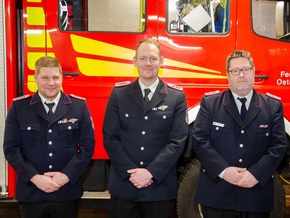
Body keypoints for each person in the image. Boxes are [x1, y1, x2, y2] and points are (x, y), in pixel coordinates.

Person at [192, 50, 288, 218]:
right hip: (218, 195)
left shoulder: (272, 107)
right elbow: (200, 141)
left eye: (246, 69)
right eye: (235, 71)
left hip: (256, 195)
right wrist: (224, 171)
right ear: (228, 75)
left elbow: (279, 146)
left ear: (253, 71)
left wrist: (256, 174)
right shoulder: (210, 104)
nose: (241, 75)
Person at [102, 38, 188, 218]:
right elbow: (110, 136)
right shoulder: (119, 94)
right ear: (134, 61)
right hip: (125, 185)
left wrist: (150, 173)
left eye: (153, 58)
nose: (148, 63)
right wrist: (132, 173)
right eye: (142, 58)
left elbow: (177, 142)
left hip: (159, 187)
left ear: (161, 61)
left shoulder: (176, 97)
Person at [3, 56, 95, 218]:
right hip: (32, 191)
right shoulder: (19, 107)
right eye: (45, 77)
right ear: (35, 79)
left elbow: (87, 147)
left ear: (61, 78)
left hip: (66, 191)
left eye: (55, 77)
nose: (51, 83)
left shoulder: (78, 106)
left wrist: (66, 176)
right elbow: (11, 149)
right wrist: (34, 177)